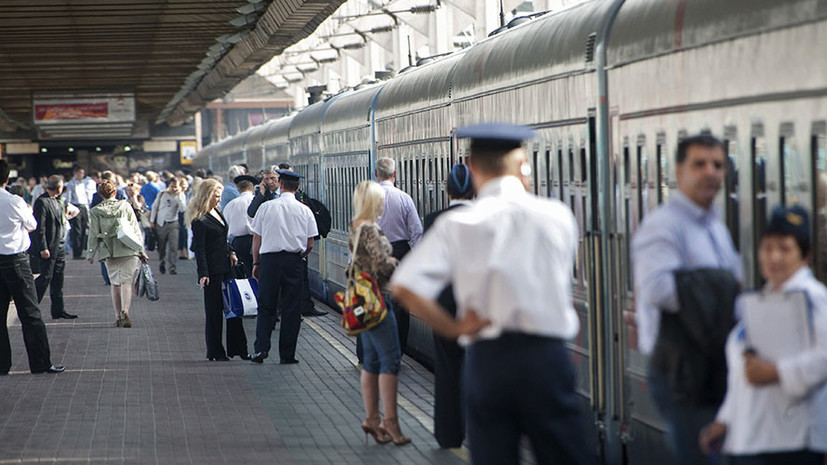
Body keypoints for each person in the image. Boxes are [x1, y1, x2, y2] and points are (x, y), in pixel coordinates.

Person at [391, 123, 595, 465]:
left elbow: (403, 286)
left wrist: (453, 328)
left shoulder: (458, 225)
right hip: (547, 357)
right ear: (523, 166)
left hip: (489, 360)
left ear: (471, 169)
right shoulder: (557, 217)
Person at [632, 134, 743, 465]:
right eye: (699, 164)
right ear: (679, 172)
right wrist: (722, 288)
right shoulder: (662, 227)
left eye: (718, 165)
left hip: (712, 364)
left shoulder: (716, 227)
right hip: (681, 368)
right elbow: (658, 289)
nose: (710, 172)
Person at [698, 205, 827, 465]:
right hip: (753, 439)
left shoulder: (814, 298)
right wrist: (725, 420)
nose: (774, 257)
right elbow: (742, 373)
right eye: (768, 248)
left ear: (806, 255)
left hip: (790, 442)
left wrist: (777, 372)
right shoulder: (761, 300)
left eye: (785, 248)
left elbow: (824, 358)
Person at [349, 181, 411, 446]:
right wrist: (396, 261)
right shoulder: (371, 229)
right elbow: (380, 265)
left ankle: (372, 419)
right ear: (373, 202)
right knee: (391, 360)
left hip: (364, 300)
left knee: (372, 362)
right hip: (379, 300)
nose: (384, 203)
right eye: (380, 199)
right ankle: (391, 422)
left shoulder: (356, 226)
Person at [422, 163, 475, 449]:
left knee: (447, 370)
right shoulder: (487, 219)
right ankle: (480, 433)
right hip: (479, 307)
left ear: (448, 190)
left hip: (444, 307)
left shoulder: (433, 220)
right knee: (480, 369)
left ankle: (448, 434)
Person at [0, 159, 65, 375]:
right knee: (30, 314)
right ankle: (40, 363)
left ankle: (2, 365)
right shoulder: (14, 201)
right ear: (7, 179)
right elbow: (32, 225)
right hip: (16, 260)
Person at [250, 169, 317, 365]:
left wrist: (256, 263)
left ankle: (261, 349)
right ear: (297, 188)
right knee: (291, 308)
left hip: (269, 261)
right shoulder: (304, 210)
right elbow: (310, 243)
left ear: (280, 185)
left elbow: (257, 238)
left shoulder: (266, 208)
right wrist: (299, 257)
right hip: (293, 262)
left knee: (266, 306)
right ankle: (287, 355)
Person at [187, 179, 249, 361]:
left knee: (233, 309)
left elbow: (222, 237)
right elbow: (199, 249)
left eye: (220, 195)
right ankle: (215, 351)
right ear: (206, 196)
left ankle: (239, 349)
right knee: (214, 312)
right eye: (216, 196)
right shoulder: (200, 220)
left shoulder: (217, 212)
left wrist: (231, 251)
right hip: (212, 271)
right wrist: (203, 274)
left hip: (226, 267)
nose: (219, 199)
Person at [374, 157, 422, 355]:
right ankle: (397, 351)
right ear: (395, 175)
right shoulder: (404, 198)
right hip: (401, 253)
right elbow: (417, 231)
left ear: (376, 175)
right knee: (401, 305)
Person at [87, 180, 147, 328]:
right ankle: (125, 310)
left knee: (115, 283)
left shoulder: (95, 211)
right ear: (115, 192)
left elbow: (93, 233)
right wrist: (141, 249)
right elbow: (134, 228)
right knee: (127, 282)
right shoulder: (125, 206)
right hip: (128, 247)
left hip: (109, 249)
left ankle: (117, 315)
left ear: (100, 195)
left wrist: (91, 253)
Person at [32, 175, 77, 320]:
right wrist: (43, 247)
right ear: (59, 187)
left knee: (58, 279)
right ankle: (30, 303)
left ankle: (58, 309)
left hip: (60, 245)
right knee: (45, 277)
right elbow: (40, 228)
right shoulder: (42, 202)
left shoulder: (58, 201)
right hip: (49, 247)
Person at [150, 177, 186, 275]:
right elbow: (154, 207)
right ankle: (162, 261)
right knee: (161, 246)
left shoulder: (181, 195)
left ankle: (172, 267)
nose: (174, 189)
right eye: (172, 186)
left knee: (173, 246)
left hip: (173, 223)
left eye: (176, 187)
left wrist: (178, 197)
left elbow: (183, 209)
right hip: (161, 222)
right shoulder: (162, 194)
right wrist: (152, 221)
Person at [223, 175, 257, 279]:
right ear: (253, 188)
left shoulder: (231, 205)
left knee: (241, 272)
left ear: (238, 189)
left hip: (238, 242)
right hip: (256, 240)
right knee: (256, 270)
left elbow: (225, 225)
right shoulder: (257, 202)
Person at [63, 165, 91, 259]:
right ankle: (76, 253)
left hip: (83, 206)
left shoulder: (83, 183)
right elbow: (69, 197)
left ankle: (80, 251)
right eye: (80, 173)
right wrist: (69, 209)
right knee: (77, 231)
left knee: (83, 229)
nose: (82, 175)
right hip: (75, 205)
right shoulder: (71, 184)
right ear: (76, 173)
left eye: (83, 173)